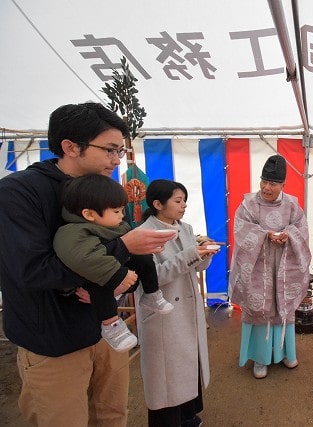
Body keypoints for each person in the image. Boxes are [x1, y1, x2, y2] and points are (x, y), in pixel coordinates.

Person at [0, 102, 176, 427]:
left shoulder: (104, 190)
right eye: (109, 149)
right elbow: (31, 270)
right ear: (70, 147)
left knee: (113, 416)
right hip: (53, 344)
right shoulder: (19, 193)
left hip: (106, 333)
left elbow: (125, 266)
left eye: (119, 151)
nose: (116, 159)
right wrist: (122, 248)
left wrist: (128, 278)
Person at [53, 174, 174, 353]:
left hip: (115, 269)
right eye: (116, 211)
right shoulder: (73, 232)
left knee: (145, 258)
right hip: (95, 276)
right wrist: (120, 275)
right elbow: (87, 259)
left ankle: (151, 294)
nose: (122, 216)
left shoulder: (113, 225)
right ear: (89, 214)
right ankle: (111, 326)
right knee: (99, 285)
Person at [136, 179, 218, 427]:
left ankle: (188, 417)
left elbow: (197, 267)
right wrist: (192, 253)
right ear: (158, 204)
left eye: (184, 201)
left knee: (187, 367)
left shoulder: (185, 228)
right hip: (164, 312)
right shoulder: (143, 235)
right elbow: (156, 276)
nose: (183, 206)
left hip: (186, 308)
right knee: (167, 377)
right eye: (178, 201)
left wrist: (205, 252)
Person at [229, 154, 312, 379]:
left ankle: (286, 352)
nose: (267, 187)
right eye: (264, 181)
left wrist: (289, 235)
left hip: (284, 265)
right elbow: (241, 230)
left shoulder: (292, 205)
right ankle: (260, 357)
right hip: (257, 266)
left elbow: (302, 230)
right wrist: (264, 235)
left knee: (281, 306)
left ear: (283, 185)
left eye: (273, 183)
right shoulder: (248, 205)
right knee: (260, 308)